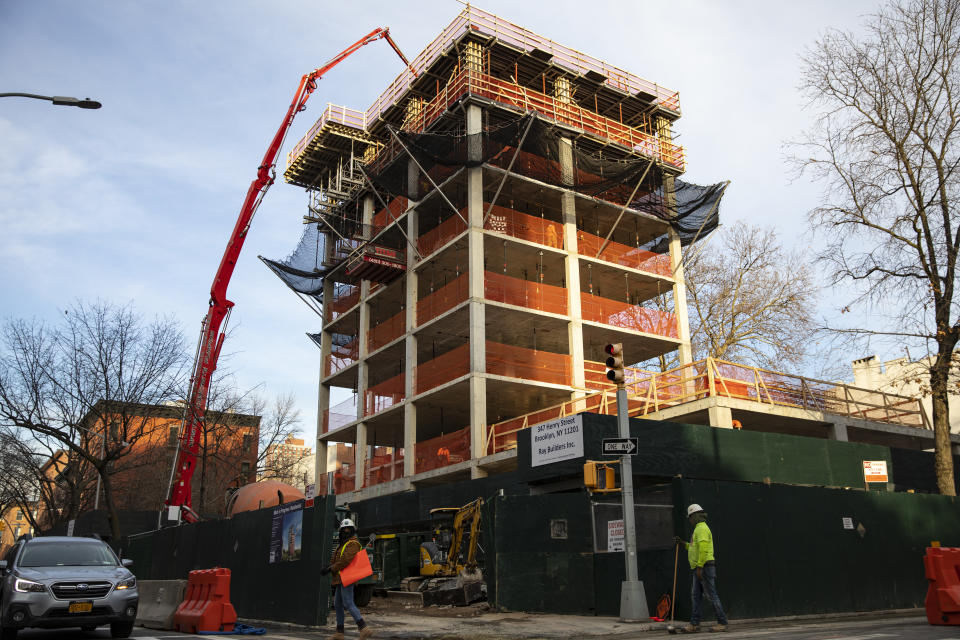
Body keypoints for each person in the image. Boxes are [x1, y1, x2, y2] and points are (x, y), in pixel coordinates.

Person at [674, 503, 728, 633]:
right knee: (696, 596)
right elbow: (694, 547)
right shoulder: (698, 528)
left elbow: (703, 549)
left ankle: (722, 623)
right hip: (700, 567)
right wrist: (683, 543)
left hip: (703, 567)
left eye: (690, 517)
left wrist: (699, 567)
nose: (689, 520)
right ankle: (694, 624)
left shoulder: (701, 529)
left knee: (711, 595)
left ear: (695, 516)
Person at [320, 519, 373, 639]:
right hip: (341, 578)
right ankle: (339, 632)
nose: (346, 531)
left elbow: (345, 560)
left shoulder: (353, 543)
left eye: (348, 529)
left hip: (347, 577)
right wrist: (328, 566)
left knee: (348, 603)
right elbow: (338, 559)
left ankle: (364, 628)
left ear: (352, 530)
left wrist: (330, 569)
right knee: (337, 604)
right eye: (344, 529)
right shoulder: (343, 544)